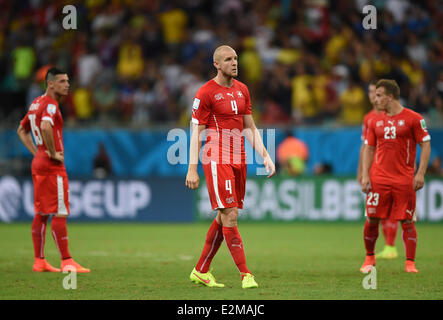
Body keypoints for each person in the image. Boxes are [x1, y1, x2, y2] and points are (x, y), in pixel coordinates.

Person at [185, 45, 276, 289]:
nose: (234, 63)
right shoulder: (205, 93)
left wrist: (265, 155)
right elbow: (196, 133)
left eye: (235, 58)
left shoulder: (243, 90)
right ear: (216, 64)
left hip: (239, 158)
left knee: (223, 214)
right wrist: (192, 168)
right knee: (231, 214)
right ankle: (246, 274)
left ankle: (201, 270)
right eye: (228, 59)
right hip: (217, 157)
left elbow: (249, 127)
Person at [16, 67, 90, 273]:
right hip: (51, 166)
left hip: (39, 162)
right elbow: (47, 127)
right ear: (50, 84)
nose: (67, 84)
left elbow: (21, 130)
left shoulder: (35, 103)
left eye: (68, 81)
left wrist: (37, 152)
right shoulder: (50, 104)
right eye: (62, 81)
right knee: (60, 212)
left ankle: (39, 261)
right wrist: (52, 152)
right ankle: (67, 261)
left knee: (41, 213)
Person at [360, 79, 431, 273]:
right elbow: (369, 148)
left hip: (404, 179)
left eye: (379, 95)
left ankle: (410, 263)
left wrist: (421, 173)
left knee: (407, 221)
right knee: (372, 218)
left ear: (390, 97)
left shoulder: (414, 118)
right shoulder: (374, 121)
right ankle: (369, 258)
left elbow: (425, 144)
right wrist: (365, 175)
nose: (375, 99)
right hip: (379, 179)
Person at [357, 81, 399, 260]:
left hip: (391, 168)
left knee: (391, 209)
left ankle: (391, 245)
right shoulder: (368, 118)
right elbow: (365, 147)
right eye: (370, 92)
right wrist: (361, 171)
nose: (372, 95)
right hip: (373, 169)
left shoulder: (393, 116)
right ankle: (385, 247)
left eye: (375, 92)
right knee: (376, 210)